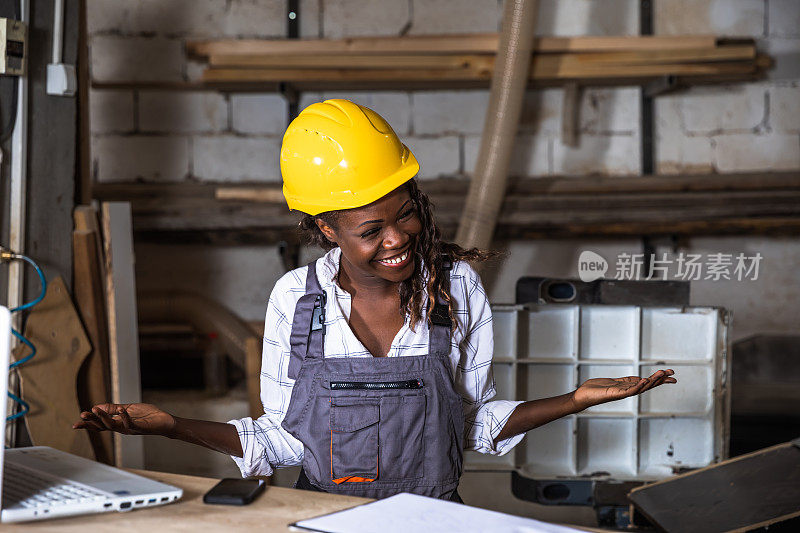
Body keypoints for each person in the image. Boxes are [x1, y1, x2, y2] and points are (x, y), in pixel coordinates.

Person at [73, 99, 676, 502]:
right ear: (326, 231)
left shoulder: (453, 289)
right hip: (326, 521)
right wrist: (173, 426)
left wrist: (575, 399)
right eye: (371, 231)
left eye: (406, 215)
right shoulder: (297, 302)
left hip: (436, 522)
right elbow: (283, 442)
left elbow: (466, 426)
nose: (398, 240)